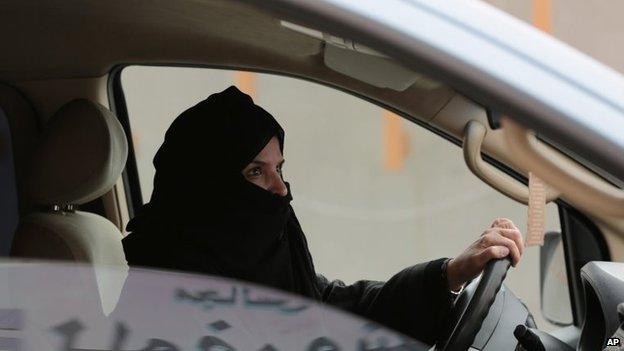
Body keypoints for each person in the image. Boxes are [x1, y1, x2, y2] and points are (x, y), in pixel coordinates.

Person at [122, 86, 524, 344]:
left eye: (279, 168)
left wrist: (448, 275)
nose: (280, 190)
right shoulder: (164, 300)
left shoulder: (259, 266)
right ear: (208, 188)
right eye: (255, 172)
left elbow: (334, 309)